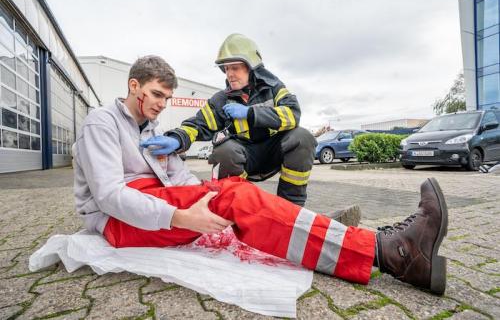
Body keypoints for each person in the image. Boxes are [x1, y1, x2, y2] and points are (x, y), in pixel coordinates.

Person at [73, 55, 449, 296]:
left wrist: (207, 192)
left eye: (167, 99)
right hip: (120, 220)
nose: (161, 105)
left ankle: (316, 227)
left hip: (161, 197)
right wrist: (181, 216)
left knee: (231, 190)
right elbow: (108, 195)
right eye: (156, 95)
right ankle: (391, 253)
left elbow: (180, 177)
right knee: (237, 200)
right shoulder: (101, 124)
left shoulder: (154, 131)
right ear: (133, 85)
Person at [141, 34, 317, 206]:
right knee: (224, 151)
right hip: (243, 158)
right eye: (226, 69)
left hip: (274, 152)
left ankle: (290, 207)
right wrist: (177, 138)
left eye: (235, 67)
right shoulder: (221, 100)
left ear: (251, 67)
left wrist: (250, 113)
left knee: (302, 137)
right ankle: (241, 208)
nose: (229, 74)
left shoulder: (274, 88)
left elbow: (293, 114)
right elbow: (198, 124)